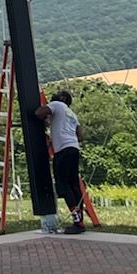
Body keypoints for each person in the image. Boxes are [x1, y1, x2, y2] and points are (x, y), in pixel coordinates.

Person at [36, 89, 85, 233]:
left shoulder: (56, 104)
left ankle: (77, 222)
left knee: (64, 186)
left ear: (61, 98)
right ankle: (80, 222)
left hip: (62, 150)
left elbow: (39, 113)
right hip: (74, 148)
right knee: (74, 185)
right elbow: (80, 136)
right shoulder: (72, 114)